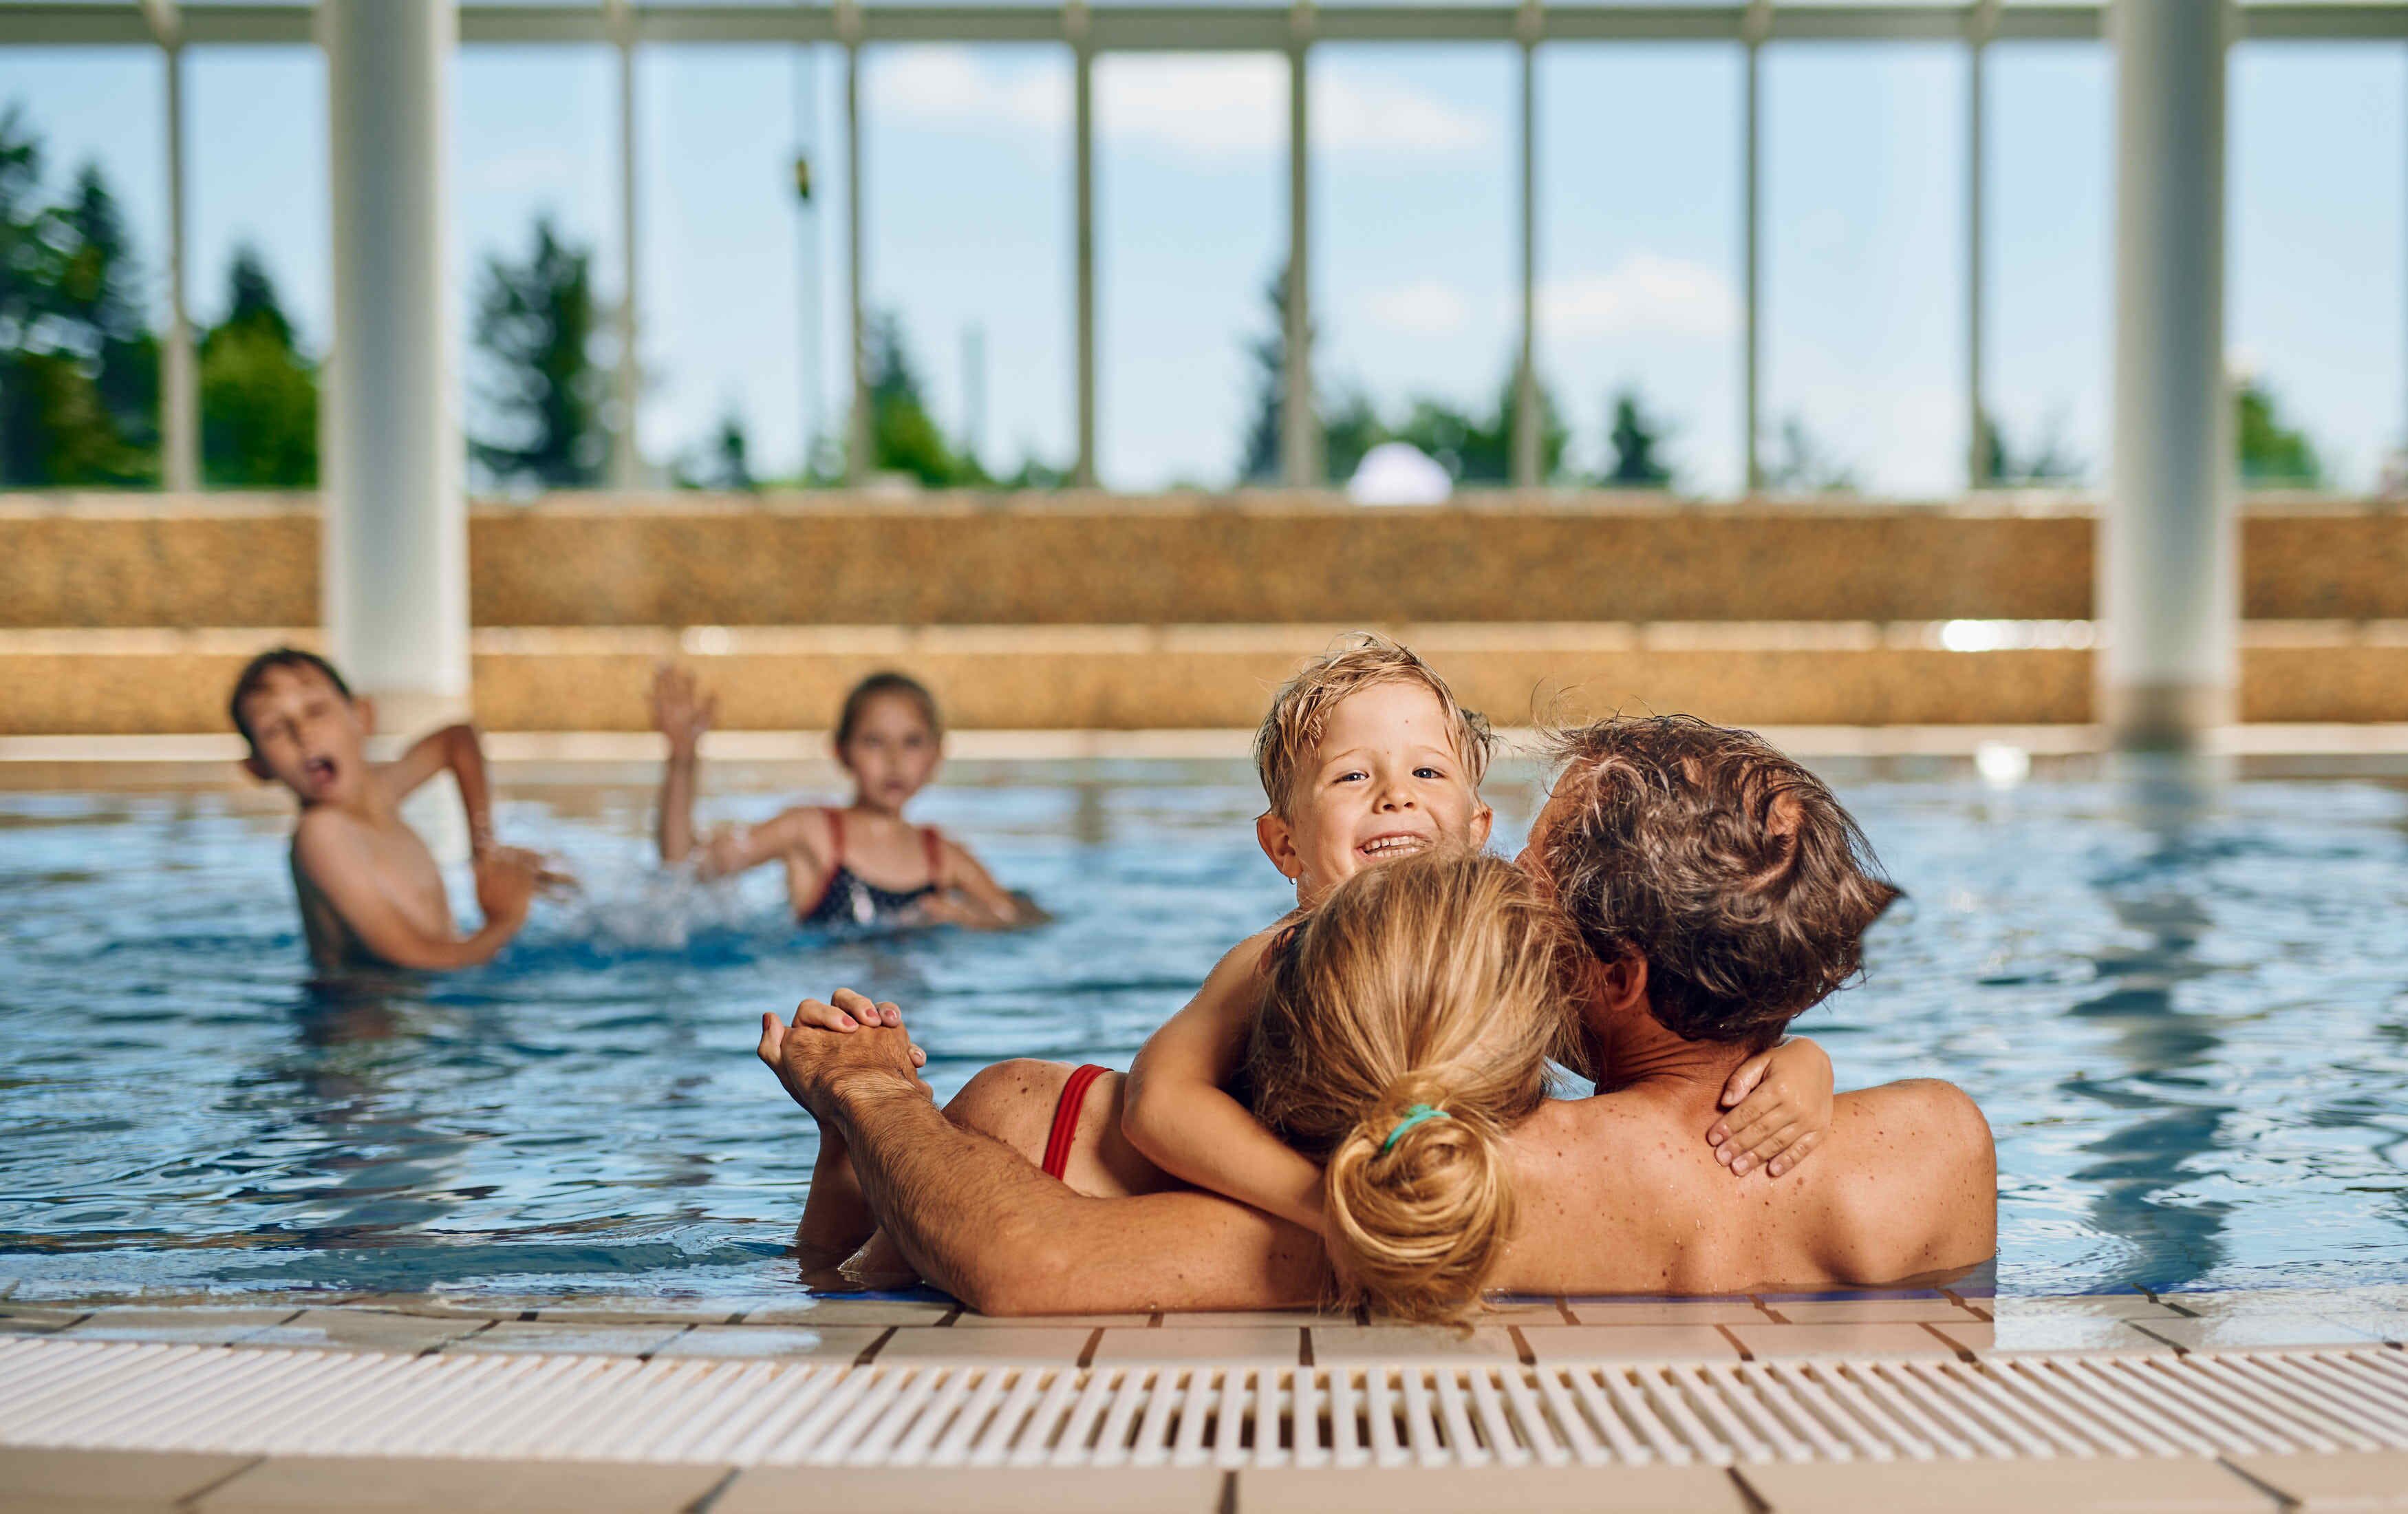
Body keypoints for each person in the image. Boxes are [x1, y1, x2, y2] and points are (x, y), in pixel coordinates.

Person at [756, 714, 1995, 1312]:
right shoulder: (1937, 1150)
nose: (1494, 893)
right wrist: (1801, 1054)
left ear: (1614, 976)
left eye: (1528, 886)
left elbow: (1038, 1266)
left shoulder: (1445, 1184)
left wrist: (872, 1094)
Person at [1118, 635, 1833, 1245]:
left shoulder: (1499, 953)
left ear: (1478, 828)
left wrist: (1796, 1063)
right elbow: (1160, 1101)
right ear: (1283, 845)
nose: (1393, 795)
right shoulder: (1277, 959)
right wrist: (1323, 1208)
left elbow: (1644, 1037)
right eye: (1351, 775)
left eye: (1426, 771)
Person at [229, 646, 561, 973]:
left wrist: (485, 850)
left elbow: (458, 740)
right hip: (357, 1020)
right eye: (275, 729)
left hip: (418, 1010)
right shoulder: (321, 834)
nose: (303, 734)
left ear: (363, 717)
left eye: (316, 710)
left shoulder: (379, 792)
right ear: (258, 768)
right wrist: (504, 921)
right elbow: (419, 959)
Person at [650, 665, 1035, 930]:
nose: (894, 760)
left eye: (912, 743)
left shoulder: (943, 857)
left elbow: (1018, 917)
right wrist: (682, 761)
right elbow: (683, 862)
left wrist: (967, 918)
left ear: (936, 755)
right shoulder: (810, 831)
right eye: (873, 741)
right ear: (841, 751)